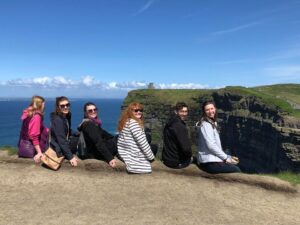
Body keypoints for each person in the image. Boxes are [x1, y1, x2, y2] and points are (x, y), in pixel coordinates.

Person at [196, 101, 241, 174]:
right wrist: (226, 158)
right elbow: (211, 145)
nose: (210, 111)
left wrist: (228, 156)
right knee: (236, 169)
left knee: (231, 160)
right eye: (207, 110)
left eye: (212, 108)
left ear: (215, 109)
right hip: (209, 163)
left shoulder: (211, 122)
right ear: (204, 112)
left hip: (210, 159)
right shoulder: (206, 125)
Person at [117, 102, 155, 174]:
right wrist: (151, 157)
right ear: (130, 112)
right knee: (154, 147)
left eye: (141, 110)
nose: (139, 112)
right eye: (136, 110)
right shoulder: (134, 124)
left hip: (126, 152)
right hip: (133, 154)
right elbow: (142, 143)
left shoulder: (126, 121)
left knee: (149, 139)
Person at [77, 102, 118, 168]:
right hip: (94, 153)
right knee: (120, 139)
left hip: (94, 151)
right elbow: (98, 142)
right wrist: (109, 158)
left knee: (118, 138)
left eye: (95, 109)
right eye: (90, 111)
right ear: (85, 113)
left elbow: (106, 134)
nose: (93, 111)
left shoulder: (94, 123)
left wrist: (115, 138)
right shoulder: (89, 125)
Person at [162, 102, 194, 169]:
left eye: (186, 111)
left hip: (167, 159)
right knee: (196, 160)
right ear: (176, 112)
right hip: (176, 162)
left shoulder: (169, 122)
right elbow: (186, 148)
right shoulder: (179, 126)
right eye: (182, 111)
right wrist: (190, 156)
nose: (184, 114)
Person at [17, 95, 48, 163]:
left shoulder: (28, 113)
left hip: (23, 143)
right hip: (34, 148)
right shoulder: (36, 116)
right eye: (43, 104)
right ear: (39, 105)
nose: (44, 107)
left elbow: (30, 127)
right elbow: (34, 136)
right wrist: (39, 153)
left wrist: (45, 129)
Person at [49, 96, 78, 167]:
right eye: (62, 106)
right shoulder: (58, 120)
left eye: (67, 105)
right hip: (58, 148)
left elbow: (67, 130)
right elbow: (61, 141)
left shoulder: (66, 115)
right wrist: (71, 157)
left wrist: (77, 133)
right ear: (58, 107)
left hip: (62, 143)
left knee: (82, 136)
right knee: (81, 141)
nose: (65, 107)